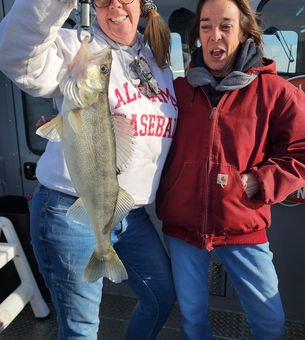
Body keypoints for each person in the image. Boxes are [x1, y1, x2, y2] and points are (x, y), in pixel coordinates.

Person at [0, 0, 178, 339]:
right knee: (81, 329)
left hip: (127, 211)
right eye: (102, 0)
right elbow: (14, 54)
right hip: (69, 208)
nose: (114, 6)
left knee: (161, 296)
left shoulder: (158, 62)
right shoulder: (75, 47)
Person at [156, 0, 305, 339]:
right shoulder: (178, 91)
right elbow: (141, 125)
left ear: (243, 32)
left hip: (244, 228)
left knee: (270, 323)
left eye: (226, 25)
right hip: (182, 230)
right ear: (198, 34)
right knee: (192, 321)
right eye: (206, 26)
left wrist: (260, 179)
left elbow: (304, 151)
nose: (215, 35)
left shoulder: (276, 93)